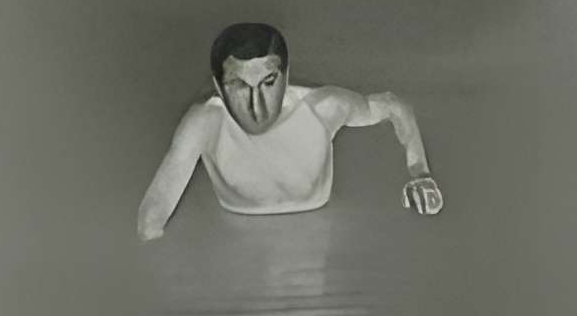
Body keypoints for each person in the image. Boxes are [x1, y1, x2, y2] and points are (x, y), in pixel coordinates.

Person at [135, 21, 443, 241]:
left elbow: (393, 106)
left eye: (268, 83)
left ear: (286, 76)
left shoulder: (323, 107)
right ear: (218, 86)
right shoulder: (204, 123)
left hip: (322, 256)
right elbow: (152, 217)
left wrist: (420, 173)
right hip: (239, 267)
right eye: (240, 86)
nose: (257, 106)